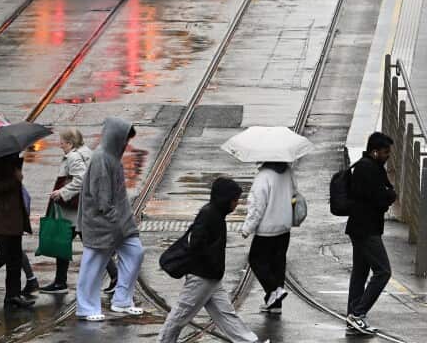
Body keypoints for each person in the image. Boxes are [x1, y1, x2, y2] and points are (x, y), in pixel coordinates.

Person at [157, 178, 265, 343]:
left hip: (212, 277)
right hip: (202, 276)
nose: (236, 204)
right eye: (235, 200)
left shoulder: (216, 214)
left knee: (225, 314)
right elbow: (196, 243)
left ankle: (248, 341)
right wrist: (211, 262)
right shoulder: (209, 215)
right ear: (225, 199)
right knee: (181, 314)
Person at [77, 116, 144, 321]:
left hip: (119, 224)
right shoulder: (101, 159)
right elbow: (102, 198)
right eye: (125, 139)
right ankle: (86, 308)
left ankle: (122, 299)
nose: (126, 144)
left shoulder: (111, 158)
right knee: (93, 264)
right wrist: (115, 218)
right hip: (102, 224)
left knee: (136, 252)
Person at [44, 128, 116, 293]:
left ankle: (60, 283)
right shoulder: (87, 153)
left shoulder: (74, 157)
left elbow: (81, 179)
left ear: (70, 143)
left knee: (70, 242)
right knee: (80, 243)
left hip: (73, 210)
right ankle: (60, 281)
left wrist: (62, 192)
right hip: (84, 208)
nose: (59, 144)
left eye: (62, 141)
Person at [345, 131, 396, 335]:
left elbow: (386, 192)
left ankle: (353, 317)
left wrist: (387, 194)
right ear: (375, 152)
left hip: (361, 227)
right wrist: (387, 195)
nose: (388, 156)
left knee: (360, 272)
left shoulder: (370, 166)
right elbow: (383, 197)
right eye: (385, 152)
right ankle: (358, 314)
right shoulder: (369, 169)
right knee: (383, 271)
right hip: (366, 229)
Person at [241, 161, 297, 314]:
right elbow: (294, 193)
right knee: (278, 263)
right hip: (284, 226)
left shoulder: (263, 176)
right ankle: (275, 304)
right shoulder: (287, 171)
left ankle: (274, 290)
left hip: (267, 229)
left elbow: (257, 206)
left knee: (255, 259)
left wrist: (247, 228)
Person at [0, 152, 34, 310]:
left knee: (15, 259)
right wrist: (15, 179)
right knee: (2, 255)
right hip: (0, 220)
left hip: (14, 220)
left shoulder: (12, 164)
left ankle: (13, 296)